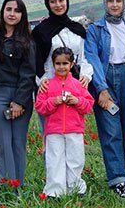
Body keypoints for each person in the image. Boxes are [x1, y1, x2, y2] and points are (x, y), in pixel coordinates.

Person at [85, 0, 125, 198]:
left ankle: (119, 174)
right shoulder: (95, 29)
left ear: (124, 3)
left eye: (118, 1)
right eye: (111, 1)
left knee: (123, 130)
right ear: (105, 3)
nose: (114, 4)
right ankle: (119, 181)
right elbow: (92, 58)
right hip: (105, 77)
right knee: (110, 130)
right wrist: (101, 88)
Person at [0, 0, 35, 195]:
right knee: (3, 142)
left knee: (18, 142)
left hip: (21, 95)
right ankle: (6, 189)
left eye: (17, 10)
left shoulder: (27, 41)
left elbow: (28, 73)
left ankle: (18, 186)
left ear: (22, 14)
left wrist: (19, 101)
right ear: (2, 12)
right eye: (9, 9)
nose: (12, 14)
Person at [35, 47, 94, 198]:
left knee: (75, 160)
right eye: (58, 64)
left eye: (65, 63)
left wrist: (77, 101)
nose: (61, 67)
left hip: (74, 129)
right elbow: (40, 106)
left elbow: (88, 105)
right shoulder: (47, 85)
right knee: (54, 160)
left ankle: (76, 188)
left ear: (72, 64)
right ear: (53, 64)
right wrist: (53, 101)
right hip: (54, 131)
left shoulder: (78, 85)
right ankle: (55, 192)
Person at [33, 0, 93, 124]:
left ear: (67, 0)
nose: (58, 5)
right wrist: (41, 80)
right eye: (53, 1)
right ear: (47, 4)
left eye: (61, 0)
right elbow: (35, 59)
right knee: (51, 133)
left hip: (73, 86)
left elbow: (83, 57)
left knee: (73, 129)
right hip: (49, 87)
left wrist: (85, 75)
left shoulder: (77, 29)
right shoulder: (40, 31)